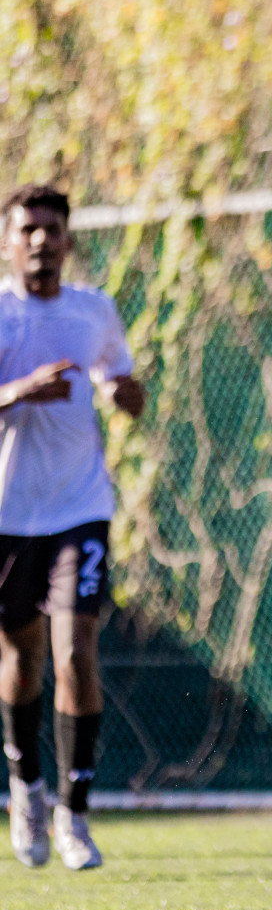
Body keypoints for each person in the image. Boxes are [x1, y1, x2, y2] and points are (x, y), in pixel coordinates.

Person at [0, 184, 145, 870]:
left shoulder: (94, 310)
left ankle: (74, 813)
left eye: (52, 229)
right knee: (20, 662)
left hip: (79, 509)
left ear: (68, 239)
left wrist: (124, 393)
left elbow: (122, 384)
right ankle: (25, 789)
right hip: (7, 517)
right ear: (9, 239)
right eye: (28, 229)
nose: (40, 240)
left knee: (76, 654)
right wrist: (20, 392)